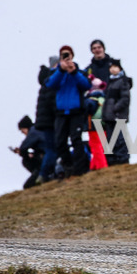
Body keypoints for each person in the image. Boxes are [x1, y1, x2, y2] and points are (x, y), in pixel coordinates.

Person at [44, 45, 90, 177]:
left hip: (76, 111)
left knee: (76, 140)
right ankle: (69, 167)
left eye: (68, 54)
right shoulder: (56, 72)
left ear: (72, 55)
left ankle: (80, 170)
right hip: (61, 112)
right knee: (60, 142)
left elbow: (86, 85)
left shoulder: (79, 72)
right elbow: (51, 84)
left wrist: (74, 72)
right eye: (63, 55)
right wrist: (61, 70)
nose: (66, 57)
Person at [102, 58, 133, 165]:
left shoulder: (123, 81)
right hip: (109, 117)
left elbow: (125, 99)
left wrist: (115, 109)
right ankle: (113, 161)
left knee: (120, 139)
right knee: (110, 139)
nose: (113, 69)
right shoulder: (110, 82)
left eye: (115, 67)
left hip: (118, 116)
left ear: (120, 68)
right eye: (111, 67)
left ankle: (123, 159)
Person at [34, 55, 59, 183]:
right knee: (53, 149)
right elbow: (52, 101)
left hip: (46, 121)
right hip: (52, 121)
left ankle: (47, 174)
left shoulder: (45, 81)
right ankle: (45, 174)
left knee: (51, 149)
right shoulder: (51, 81)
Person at [12, 115, 45, 189]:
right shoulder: (38, 130)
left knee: (27, 186)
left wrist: (24, 154)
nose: (22, 133)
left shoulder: (33, 132)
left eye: (22, 130)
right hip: (45, 156)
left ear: (26, 127)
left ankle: (39, 175)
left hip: (45, 160)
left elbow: (23, 148)